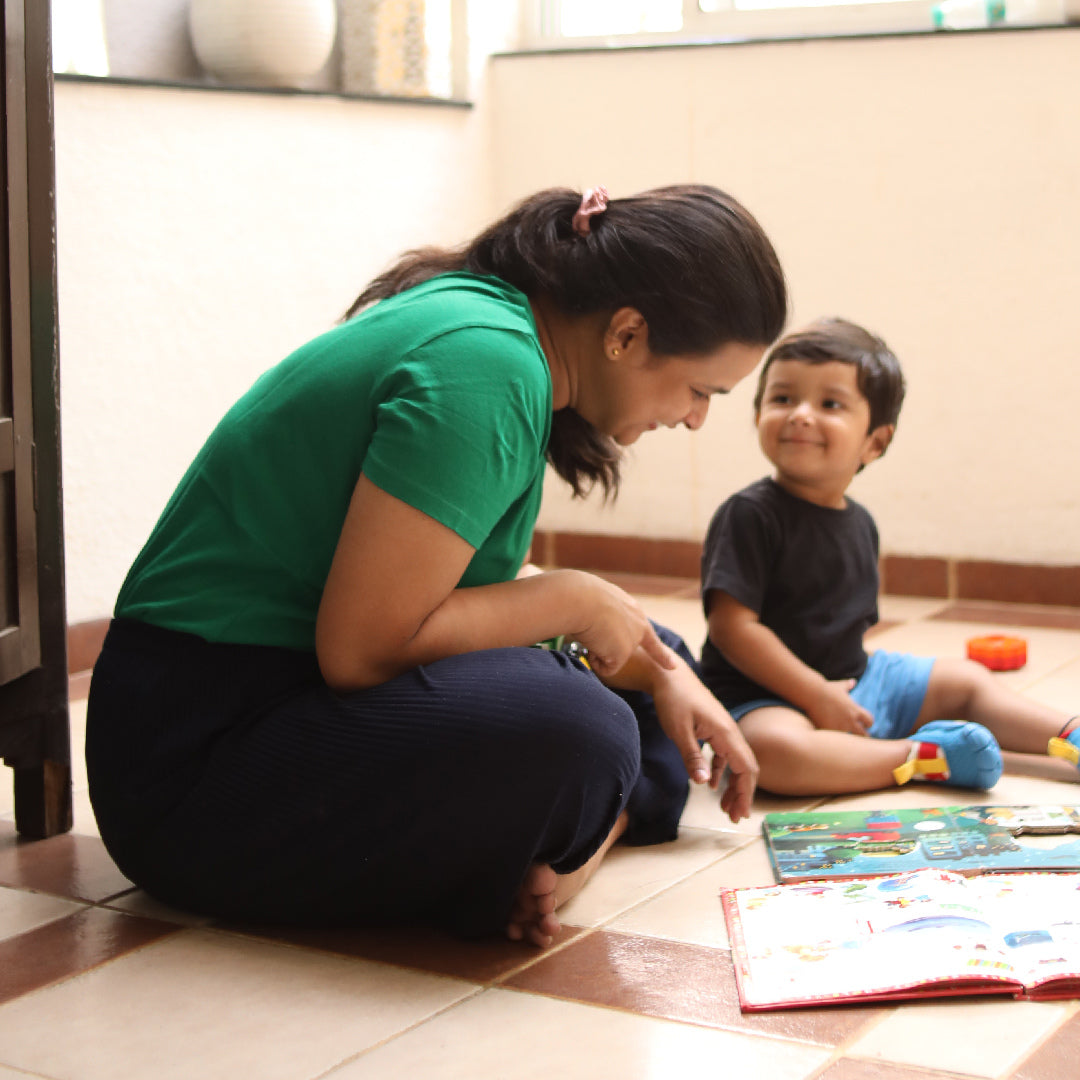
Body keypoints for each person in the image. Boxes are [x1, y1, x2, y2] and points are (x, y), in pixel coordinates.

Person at [86, 184, 788, 948]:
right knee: (584, 726)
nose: (694, 418)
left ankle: (577, 839)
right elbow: (361, 652)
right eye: (699, 390)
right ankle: (567, 852)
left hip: (272, 695)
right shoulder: (485, 367)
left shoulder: (489, 325)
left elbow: (447, 596)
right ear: (625, 333)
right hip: (195, 768)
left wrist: (653, 666)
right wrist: (577, 601)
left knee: (655, 657)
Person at [699, 317, 1079, 797]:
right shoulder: (748, 515)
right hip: (762, 696)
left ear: (874, 442)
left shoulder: (860, 522)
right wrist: (815, 694)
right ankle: (925, 758)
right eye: (782, 399)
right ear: (758, 416)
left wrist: (850, 690)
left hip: (856, 680)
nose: (800, 414)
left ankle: (1067, 734)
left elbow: (844, 628)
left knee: (965, 679)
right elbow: (732, 629)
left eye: (829, 403)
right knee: (772, 752)